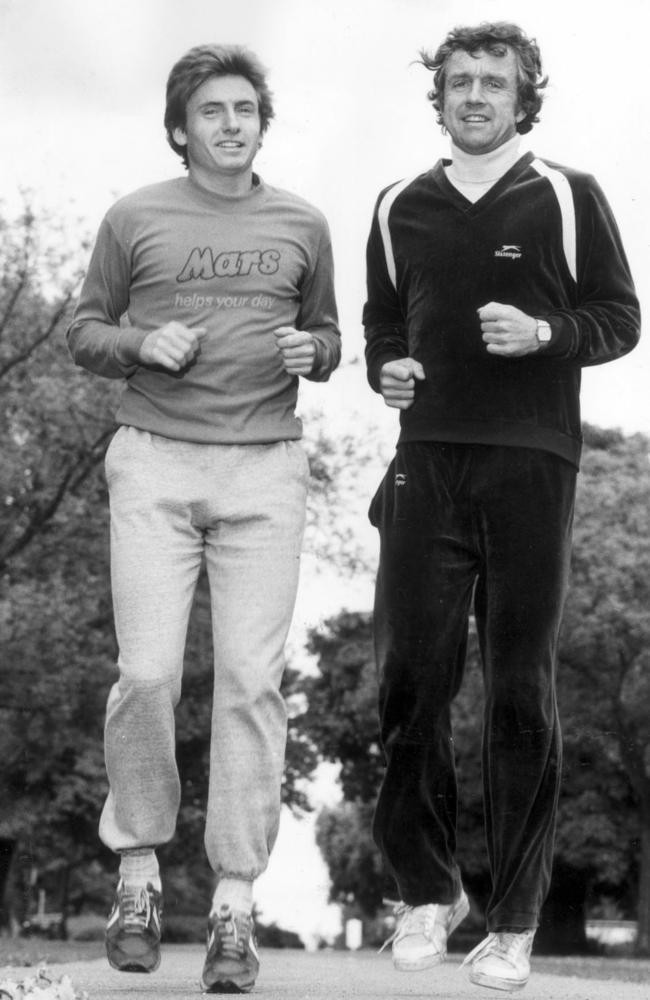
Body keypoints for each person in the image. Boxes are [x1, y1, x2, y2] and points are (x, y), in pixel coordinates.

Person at [363, 21, 639, 993]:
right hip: (421, 462)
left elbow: (619, 318)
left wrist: (541, 331)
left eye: (493, 81)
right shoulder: (397, 204)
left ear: (523, 97)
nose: (474, 94)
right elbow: (380, 324)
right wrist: (383, 369)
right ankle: (426, 889)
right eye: (458, 81)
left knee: (519, 687)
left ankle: (513, 920)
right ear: (436, 96)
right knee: (406, 681)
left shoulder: (567, 193)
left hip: (532, 463)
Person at [67, 44, 340, 994]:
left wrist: (319, 349)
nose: (231, 123)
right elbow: (84, 330)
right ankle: (137, 876)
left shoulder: (304, 222)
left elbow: (332, 334)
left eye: (245, 110)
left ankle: (233, 905)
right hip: (154, 461)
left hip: (266, 469)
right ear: (181, 127)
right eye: (212, 111)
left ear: (263, 123)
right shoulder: (134, 216)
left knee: (249, 684)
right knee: (146, 674)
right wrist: (145, 340)